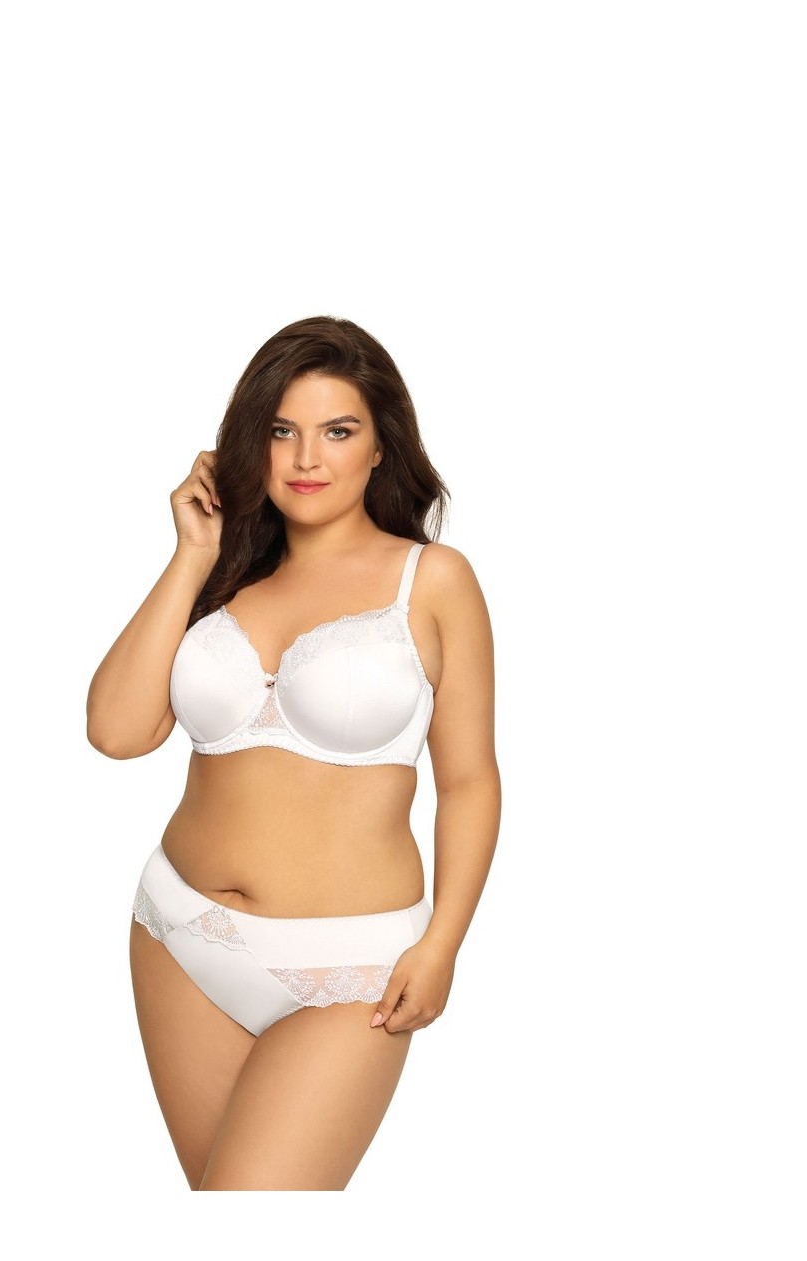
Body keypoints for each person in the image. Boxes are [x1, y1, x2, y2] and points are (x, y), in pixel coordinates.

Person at [87, 316, 501, 1191]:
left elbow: (468, 781)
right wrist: (192, 554)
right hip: (178, 933)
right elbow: (117, 732)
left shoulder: (431, 580)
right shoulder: (227, 574)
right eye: (282, 431)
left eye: (338, 431)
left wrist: (444, 944)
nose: (307, 458)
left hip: (352, 969)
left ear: (381, 447)